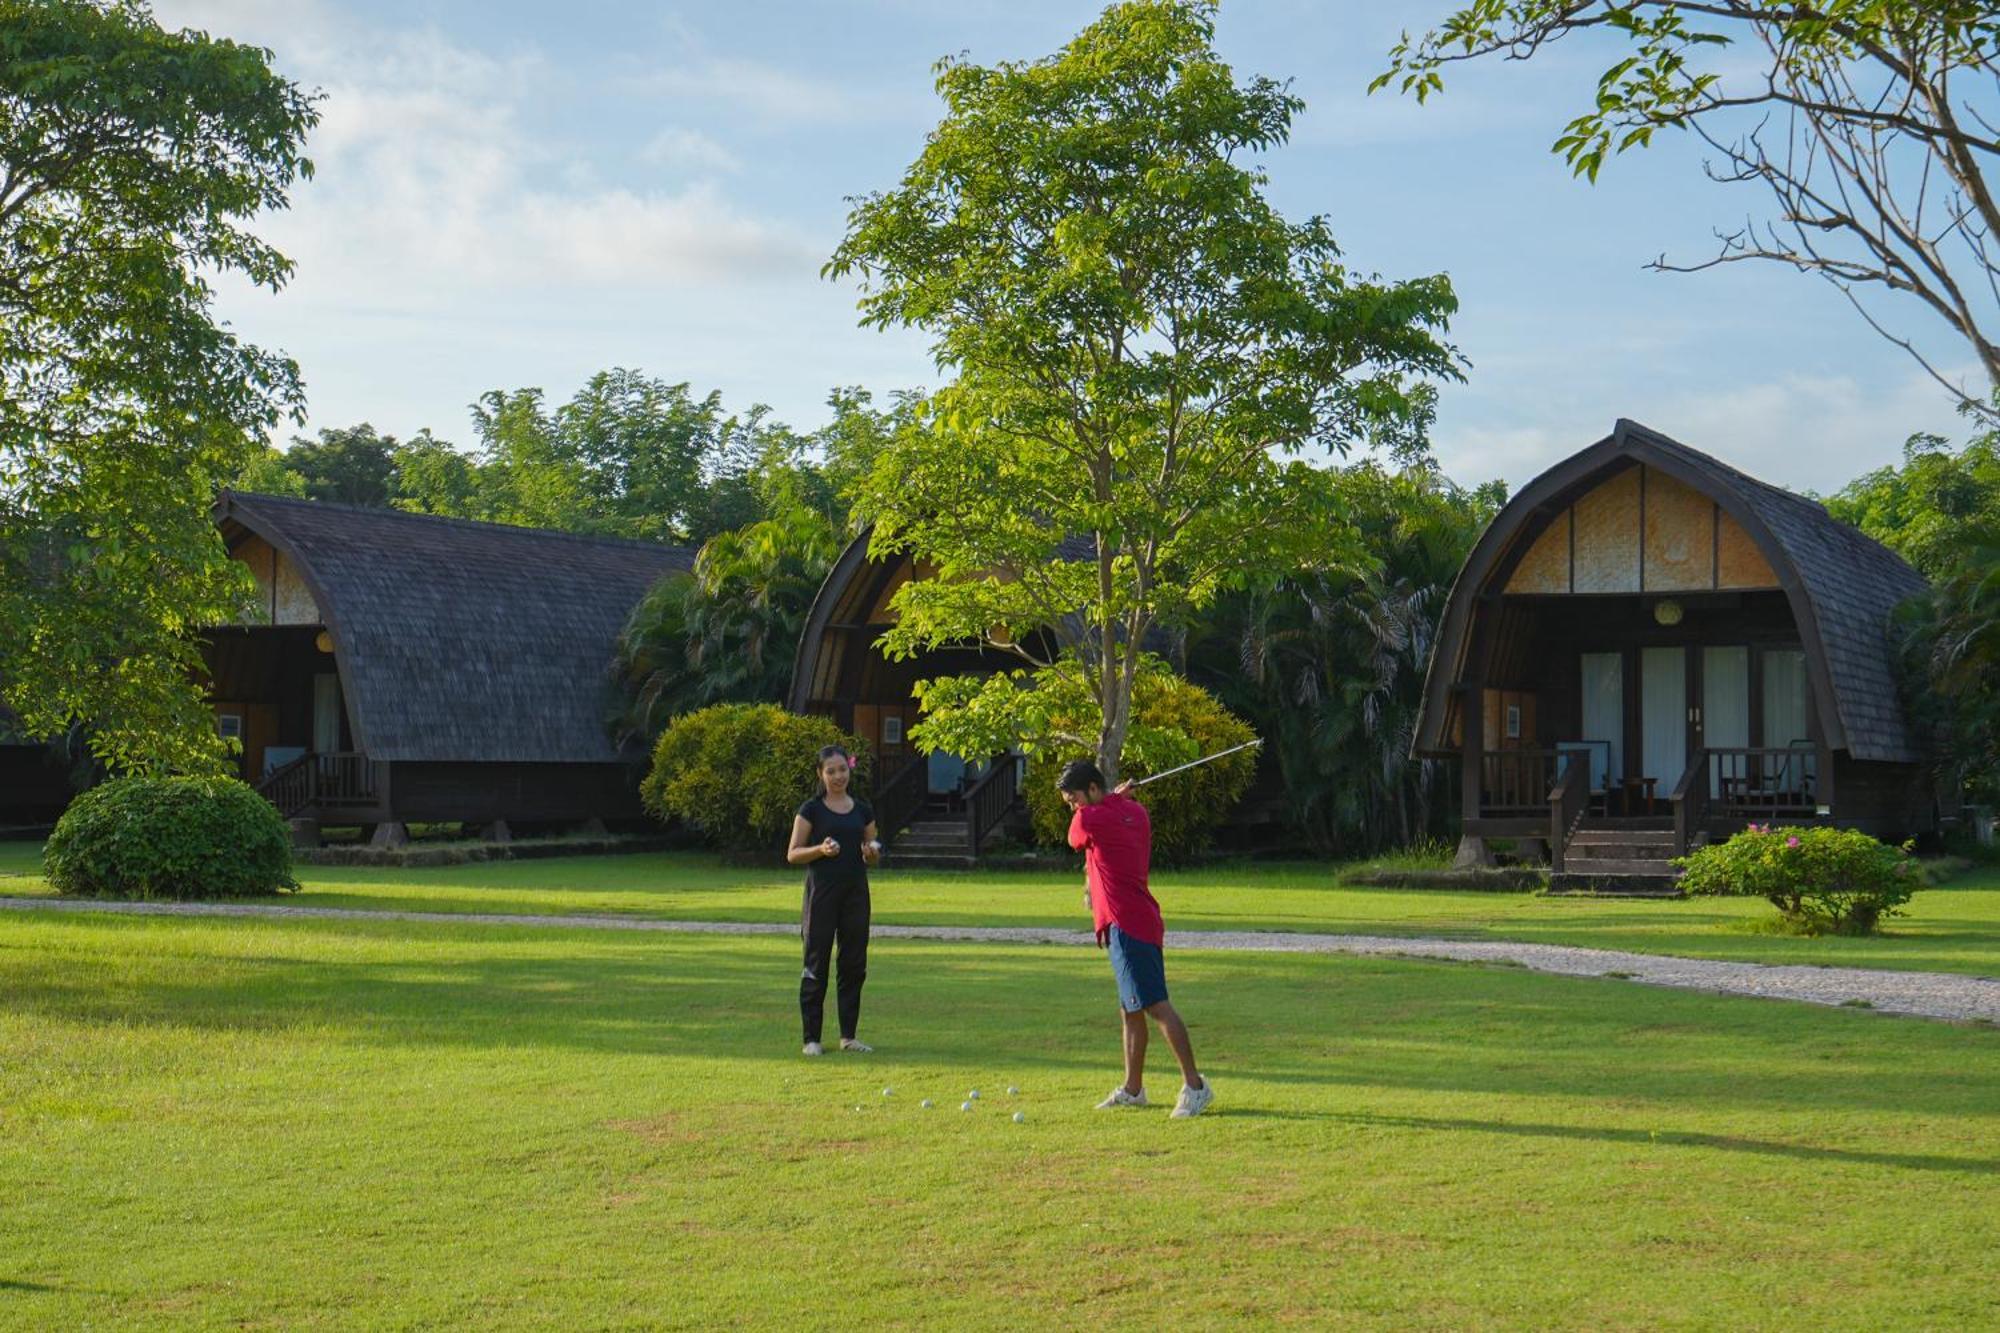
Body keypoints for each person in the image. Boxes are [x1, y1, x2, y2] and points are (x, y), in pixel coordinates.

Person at [1059, 759, 1213, 1118]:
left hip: (1128, 925)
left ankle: (1196, 1087)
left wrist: (1106, 801)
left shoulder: (1090, 818)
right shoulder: (1136, 812)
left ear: (1094, 790)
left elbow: (1073, 838)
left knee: (1156, 1005)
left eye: (1075, 799)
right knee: (1130, 1009)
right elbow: (1110, 817)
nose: (1074, 807)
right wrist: (1113, 799)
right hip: (1137, 920)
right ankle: (1133, 1089)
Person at [786, 745, 881, 1056]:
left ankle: (848, 1037)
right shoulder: (811, 810)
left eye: (842, 769)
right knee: (816, 963)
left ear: (849, 770)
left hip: (855, 894)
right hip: (822, 895)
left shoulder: (862, 809)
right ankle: (811, 1039)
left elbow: (872, 851)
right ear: (820, 774)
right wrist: (820, 850)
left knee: (854, 964)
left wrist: (872, 853)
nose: (838, 776)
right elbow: (793, 853)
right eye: (831, 771)